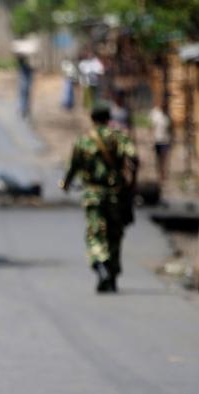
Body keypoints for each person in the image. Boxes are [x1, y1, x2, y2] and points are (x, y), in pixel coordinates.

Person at [61, 103, 139, 293]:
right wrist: (130, 182)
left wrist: (66, 183)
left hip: (93, 195)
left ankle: (101, 263)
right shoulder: (119, 137)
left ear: (92, 119)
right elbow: (134, 158)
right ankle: (112, 275)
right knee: (114, 235)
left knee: (95, 234)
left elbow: (73, 166)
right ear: (108, 118)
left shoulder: (84, 141)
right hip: (115, 195)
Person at [150, 104, 172, 182]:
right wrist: (151, 141)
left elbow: (171, 129)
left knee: (164, 158)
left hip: (165, 140)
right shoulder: (155, 115)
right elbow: (152, 128)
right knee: (158, 158)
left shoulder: (168, 116)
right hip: (157, 140)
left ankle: (163, 174)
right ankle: (160, 173)